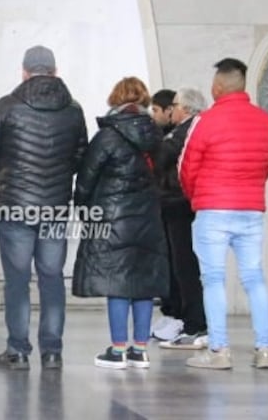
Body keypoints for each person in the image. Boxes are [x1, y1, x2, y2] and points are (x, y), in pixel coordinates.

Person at [0, 45, 88, 371]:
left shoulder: (7, 106)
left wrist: (4, 182)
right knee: (52, 278)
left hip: (14, 206)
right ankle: (52, 352)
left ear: (24, 71)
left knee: (17, 280)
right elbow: (80, 156)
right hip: (55, 207)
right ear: (54, 72)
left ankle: (18, 351)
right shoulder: (73, 109)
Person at [179, 58, 268, 370]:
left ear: (217, 87)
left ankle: (219, 350)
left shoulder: (205, 121)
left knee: (213, 279)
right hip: (251, 209)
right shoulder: (265, 121)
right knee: (254, 277)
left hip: (214, 209)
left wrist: (197, 198)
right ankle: (264, 349)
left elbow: (187, 168)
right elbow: (266, 165)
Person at [72, 76, 168, 370]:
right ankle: (140, 350)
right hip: (149, 217)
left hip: (113, 218)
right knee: (143, 283)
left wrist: (84, 209)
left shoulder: (107, 137)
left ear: (115, 100)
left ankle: (118, 350)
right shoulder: (156, 136)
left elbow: (87, 178)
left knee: (118, 282)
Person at [154, 88, 209, 350]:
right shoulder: (184, 129)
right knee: (179, 263)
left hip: (179, 203)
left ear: (185, 109)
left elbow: (163, 155)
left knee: (184, 262)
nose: (171, 109)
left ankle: (194, 321)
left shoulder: (185, 131)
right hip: (175, 202)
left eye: (174, 105)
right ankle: (184, 316)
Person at [149, 88, 183, 341]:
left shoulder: (175, 139)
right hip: (164, 202)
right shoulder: (162, 135)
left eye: (156, 110)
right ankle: (170, 309)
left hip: (175, 202)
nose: (153, 115)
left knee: (178, 262)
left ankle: (178, 312)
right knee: (167, 261)